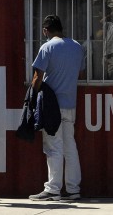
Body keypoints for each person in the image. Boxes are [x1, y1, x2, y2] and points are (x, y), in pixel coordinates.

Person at [29, 15, 86, 202]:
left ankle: (53, 189)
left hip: (51, 105)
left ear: (45, 30)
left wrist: (31, 99)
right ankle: (73, 189)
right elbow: (80, 71)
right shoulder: (77, 47)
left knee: (53, 146)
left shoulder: (47, 47)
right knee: (70, 146)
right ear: (61, 28)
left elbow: (37, 78)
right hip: (70, 104)